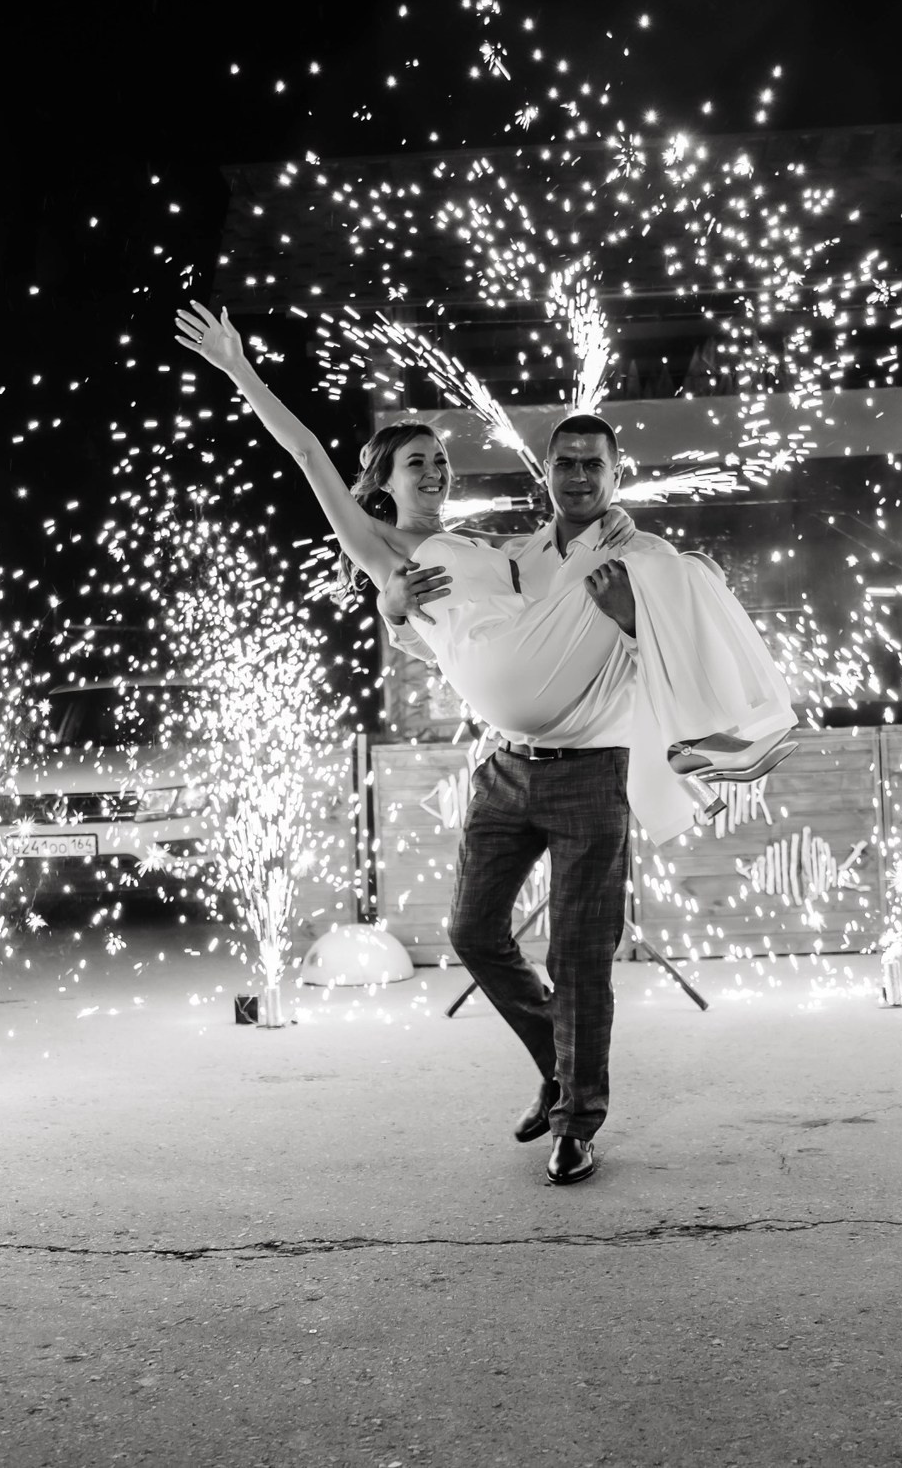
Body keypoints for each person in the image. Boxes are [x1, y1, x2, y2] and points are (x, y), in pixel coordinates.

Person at [174, 302, 795, 1186]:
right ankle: (559, 1065)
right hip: (504, 768)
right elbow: (309, 454)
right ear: (383, 482)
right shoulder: (381, 546)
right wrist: (242, 371)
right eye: (416, 461)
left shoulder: (497, 545)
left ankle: (578, 1119)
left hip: (589, 771)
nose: (435, 467)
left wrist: (640, 599)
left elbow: (552, 597)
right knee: (473, 931)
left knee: (579, 954)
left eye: (440, 458)